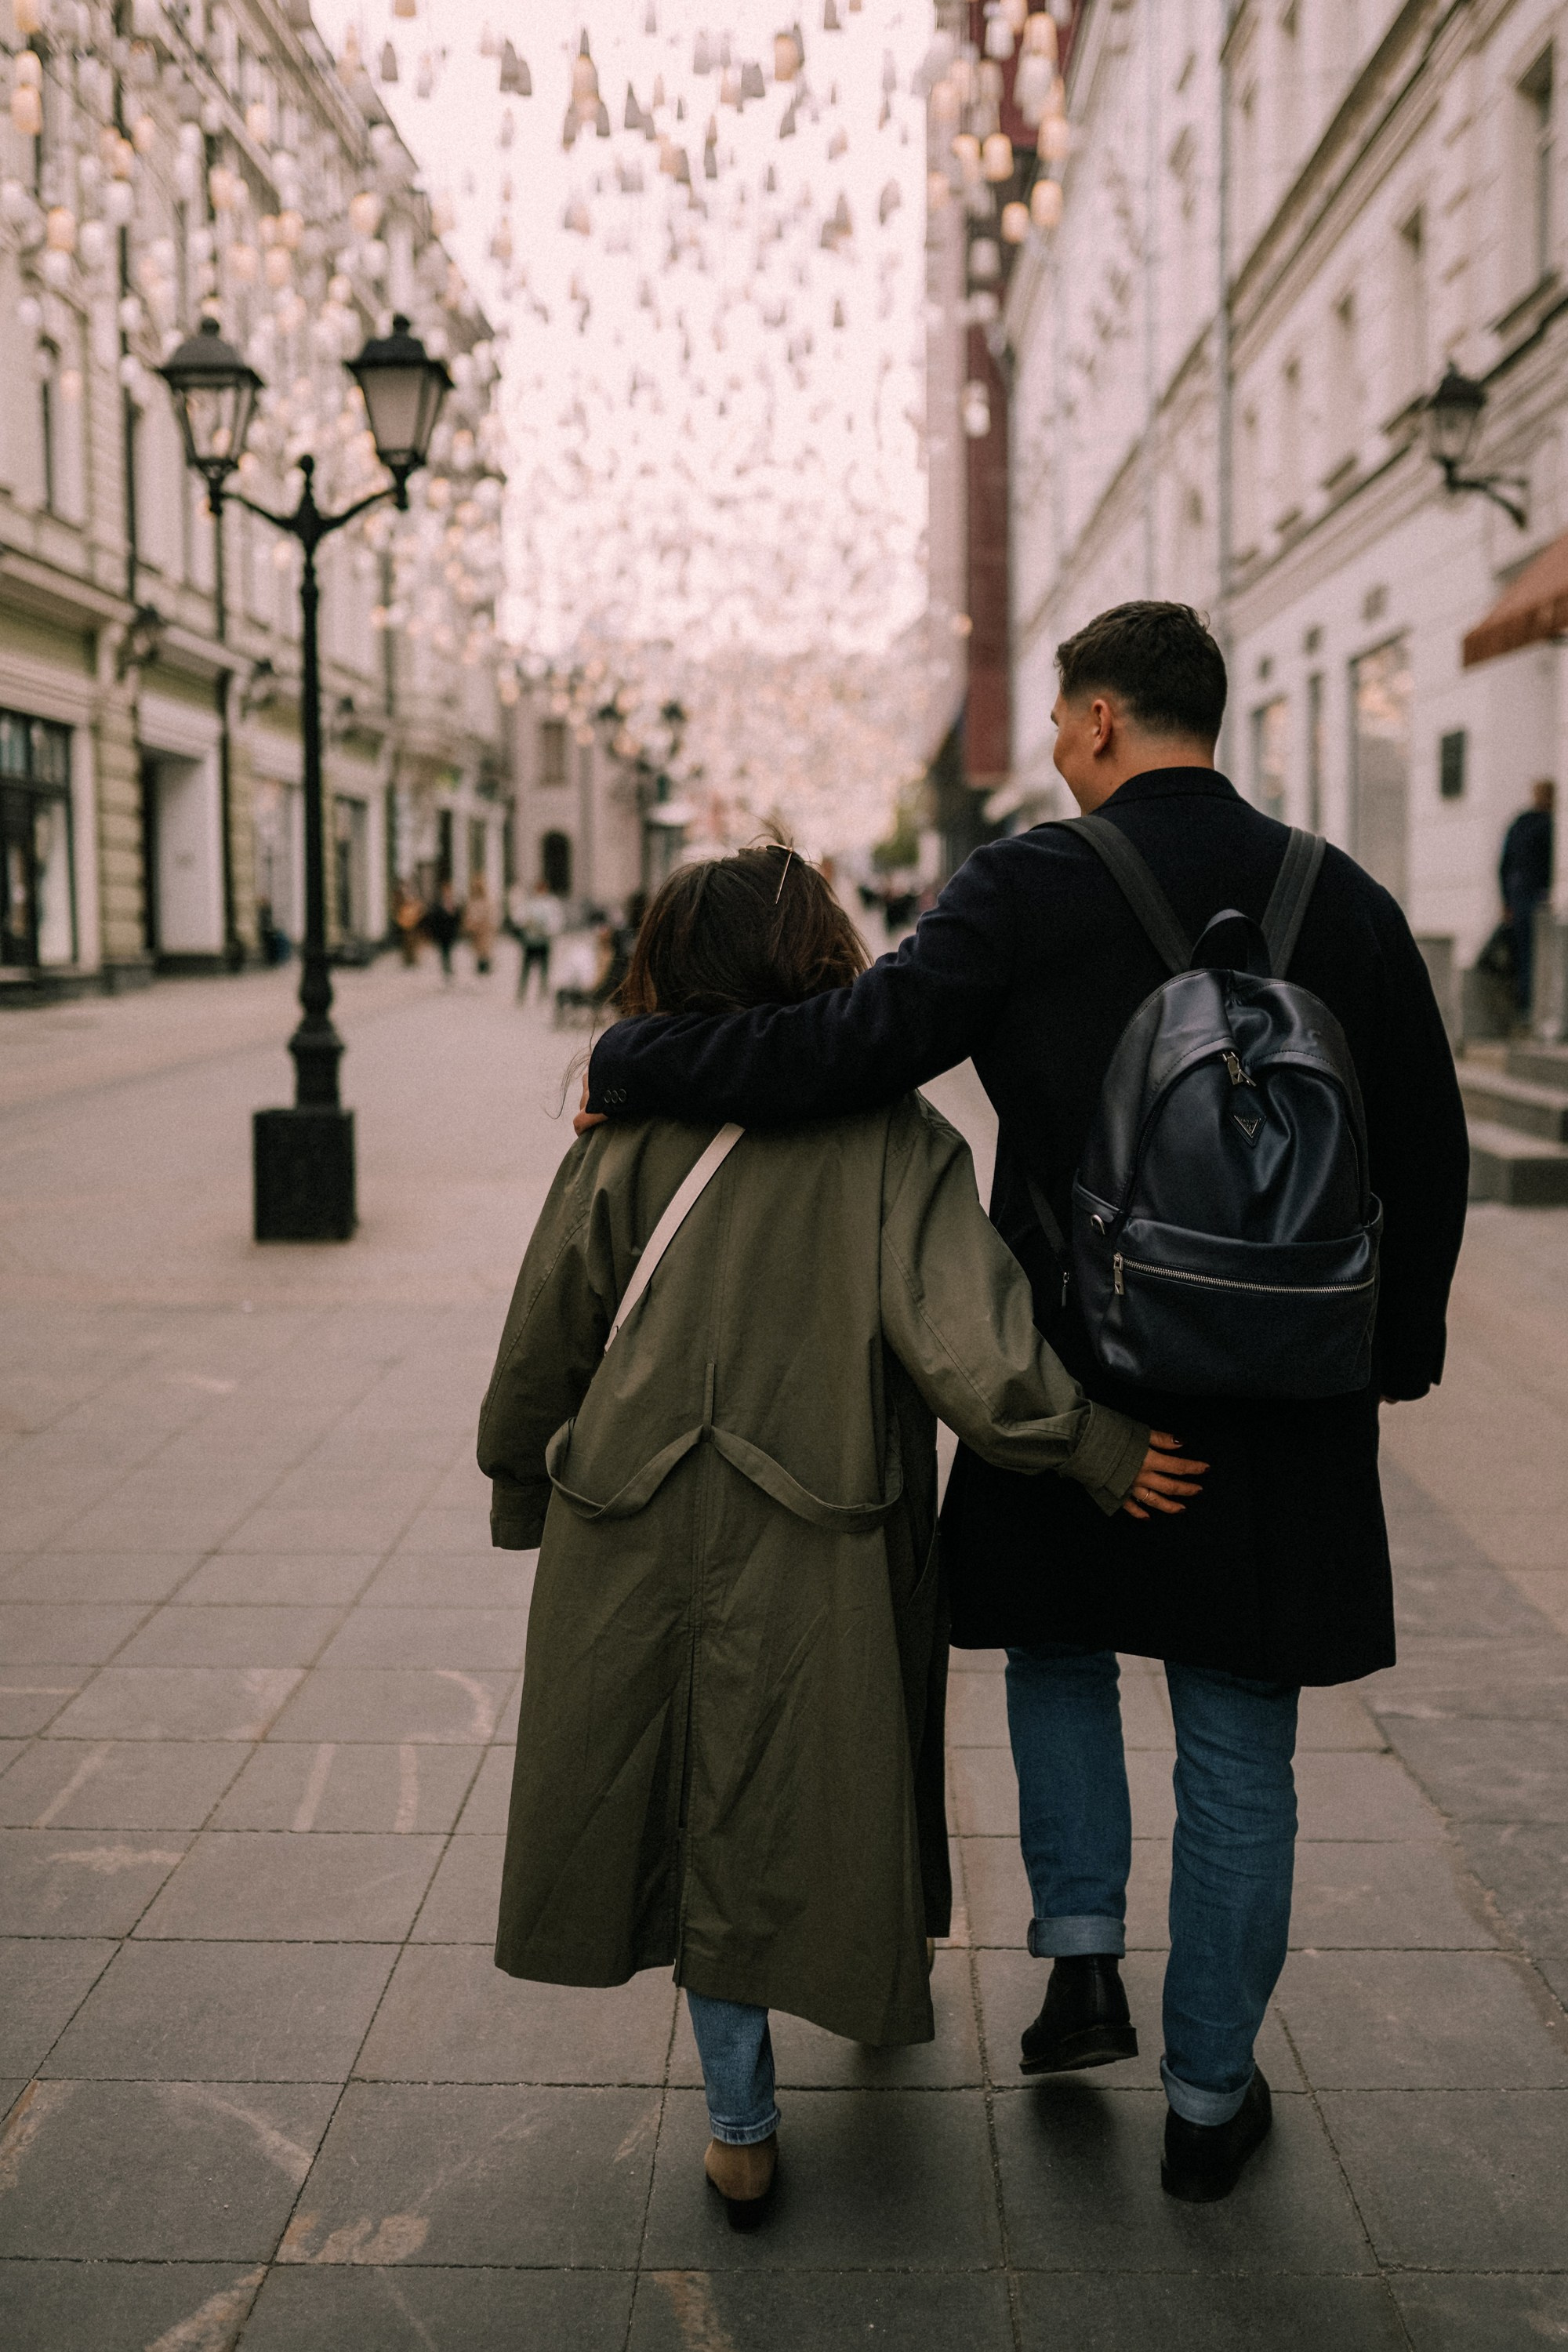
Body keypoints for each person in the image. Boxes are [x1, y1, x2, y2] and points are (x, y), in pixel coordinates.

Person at [579, 603, 1471, 2202]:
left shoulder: (1029, 886)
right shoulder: (1342, 897)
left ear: (1105, 722)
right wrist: (1389, 1355)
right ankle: (1207, 2104)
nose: (1059, 748)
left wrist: (649, 1061)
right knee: (1238, 1744)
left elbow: (854, 1049)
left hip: (1073, 1365)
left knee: (1058, 1656)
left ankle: (1077, 1964)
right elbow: (1426, 1145)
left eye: (1066, 723)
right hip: (1279, 1401)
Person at [479, 845, 1200, 2226]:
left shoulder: (623, 1130)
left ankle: (741, 2128)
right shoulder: (894, 1141)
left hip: (623, 1519)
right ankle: (869, 1988)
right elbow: (976, 1352)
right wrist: (1103, 1451)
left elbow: (546, 1335)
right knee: (798, 1788)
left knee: (685, 1802)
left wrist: (523, 1487)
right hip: (822, 1526)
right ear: (824, 960)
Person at [1498, 779, 1555, 1015]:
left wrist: (1506, 900)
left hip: (1520, 896)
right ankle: (1528, 1009)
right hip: (1533, 898)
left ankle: (1526, 1008)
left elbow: (1504, 865)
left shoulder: (1521, 823)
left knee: (1525, 955)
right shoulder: (1546, 824)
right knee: (1531, 956)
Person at [513, 880, 565, 1002]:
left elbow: (557, 921)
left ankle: (542, 994)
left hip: (543, 940)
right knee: (526, 969)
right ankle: (522, 994)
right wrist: (526, 923)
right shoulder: (529, 902)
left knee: (544, 969)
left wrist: (547, 929)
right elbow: (518, 918)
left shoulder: (551, 903)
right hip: (530, 940)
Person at [423, 878, 462, 982]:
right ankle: (446, 967)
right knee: (444, 951)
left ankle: (449, 967)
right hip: (441, 933)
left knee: (450, 950)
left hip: (451, 932)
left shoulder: (454, 903)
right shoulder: (438, 904)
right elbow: (434, 918)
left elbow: (458, 917)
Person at [463, 873, 497, 976]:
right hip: (476, 931)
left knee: (485, 951)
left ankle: (486, 967)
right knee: (478, 952)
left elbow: (491, 915)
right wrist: (471, 925)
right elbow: (468, 916)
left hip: (485, 930)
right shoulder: (471, 901)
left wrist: (486, 924)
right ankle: (480, 967)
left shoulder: (487, 901)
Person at [393, 880, 424, 967]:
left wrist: (417, 916)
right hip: (405, 921)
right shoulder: (400, 895)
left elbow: (419, 907)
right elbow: (397, 908)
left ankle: (413, 958)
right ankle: (407, 959)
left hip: (413, 921)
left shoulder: (413, 895)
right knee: (406, 941)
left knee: (413, 941)